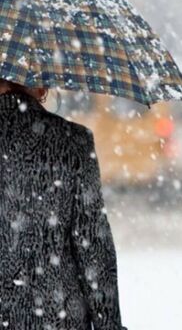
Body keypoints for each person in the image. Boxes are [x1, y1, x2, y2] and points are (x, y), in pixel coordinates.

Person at [0, 80, 126, 330]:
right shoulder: (73, 141)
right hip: (59, 317)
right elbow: (93, 247)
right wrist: (109, 325)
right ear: (40, 86)